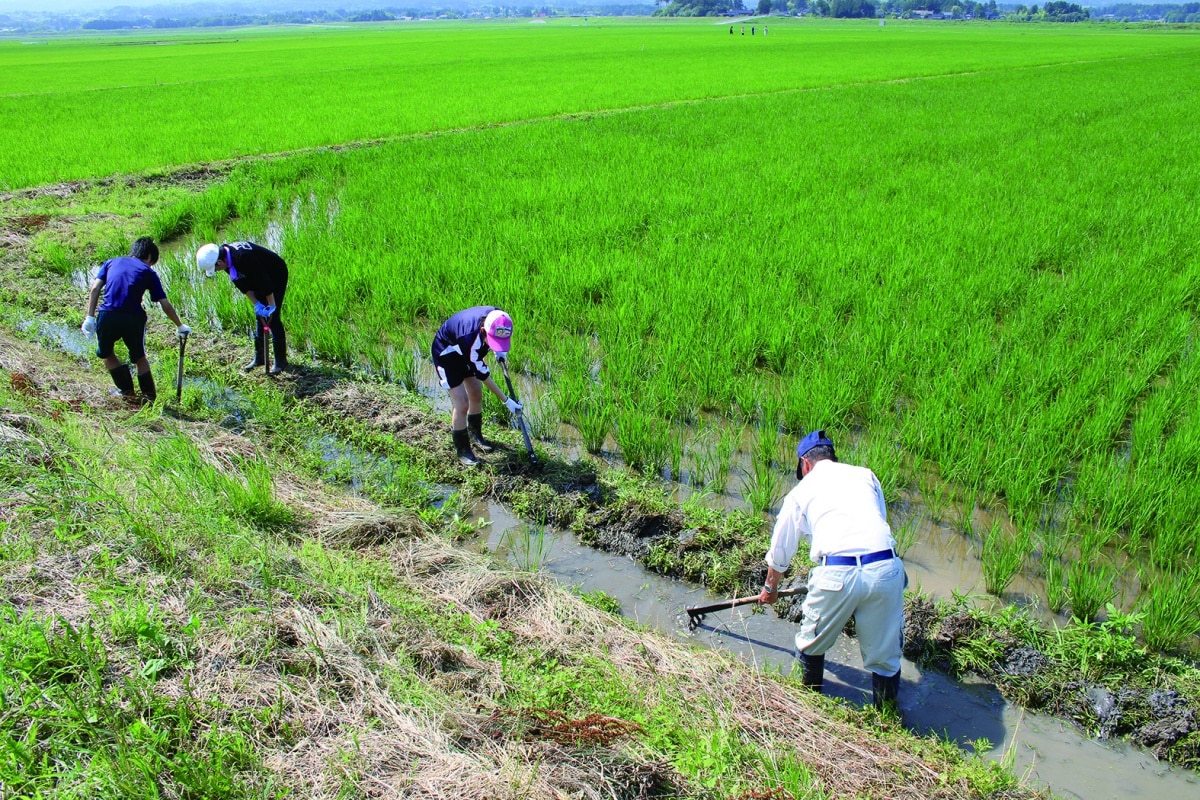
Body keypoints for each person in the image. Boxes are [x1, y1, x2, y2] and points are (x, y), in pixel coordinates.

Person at [759, 430, 905, 710]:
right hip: (885, 568)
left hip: (836, 572)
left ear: (805, 464)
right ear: (831, 457)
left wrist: (770, 588)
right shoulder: (866, 475)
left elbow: (780, 550)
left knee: (810, 644)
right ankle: (887, 719)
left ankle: (810, 708)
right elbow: (878, 522)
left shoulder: (801, 490)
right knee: (886, 659)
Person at [82, 237, 189, 404]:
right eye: (151, 262)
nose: (150, 265)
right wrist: (180, 325)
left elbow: (95, 288)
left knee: (106, 353)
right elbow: (165, 304)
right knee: (139, 357)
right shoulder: (148, 272)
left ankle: (127, 392)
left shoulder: (111, 262)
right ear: (148, 256)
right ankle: (149, 398)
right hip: (134, 318)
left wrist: (89, 317)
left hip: (108, 314)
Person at [431, 306, 522, 466]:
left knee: (476, 394)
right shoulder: (470, 340)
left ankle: (476, 435)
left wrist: (499, 351)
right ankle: (463, 450)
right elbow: (483, 375)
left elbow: (496, 336)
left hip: (464, 349)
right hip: (447, 354)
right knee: (462, 404)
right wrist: (506, 401)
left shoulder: (499, 318)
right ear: (483, 330)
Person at [196, 241, 289, 374]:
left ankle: (281, 362)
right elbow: (242, 284)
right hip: (257, 276)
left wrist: (272, 306)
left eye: (216, 269)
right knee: (260, 316)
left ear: (219, 262)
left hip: (275, 274)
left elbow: (265, 283)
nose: (217, 271)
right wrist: (257, 303)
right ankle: (260, 358)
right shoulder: (226, 259)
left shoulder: (242, 257)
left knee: (272, 318)